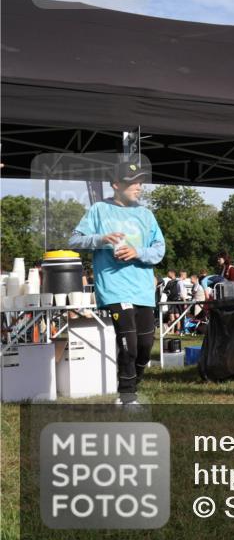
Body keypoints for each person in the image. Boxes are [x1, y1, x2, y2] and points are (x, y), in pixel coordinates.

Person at [69, 160, 165, 406]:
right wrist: (101, 239)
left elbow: (159, 250)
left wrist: (137, 252)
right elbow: (74, 241)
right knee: (129, 344)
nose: (138, 187)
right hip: (114, 287)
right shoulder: (99, 210)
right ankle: (127, 396)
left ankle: (132, 379)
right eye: (132, 182)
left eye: (140, 182)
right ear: (115, 185)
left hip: (142, 289)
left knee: (145, 347)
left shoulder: (146, 214)